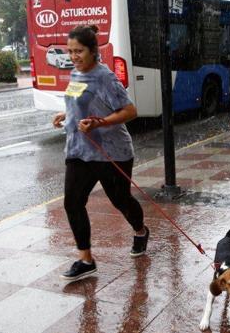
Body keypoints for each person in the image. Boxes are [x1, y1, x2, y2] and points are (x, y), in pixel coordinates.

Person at [52, 25, 149, 281]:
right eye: (70, 51)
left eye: (79, 51)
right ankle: (86, 259)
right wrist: (67, 115)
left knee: (120, 201)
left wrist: (100, 123)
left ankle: (140, 231)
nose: (74, 56)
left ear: (93, 50)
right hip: (79, 151)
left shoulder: (104, 77)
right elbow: (79, 103)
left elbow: (129, 111)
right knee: (72, 202)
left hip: (110, 152)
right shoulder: (75, 73)